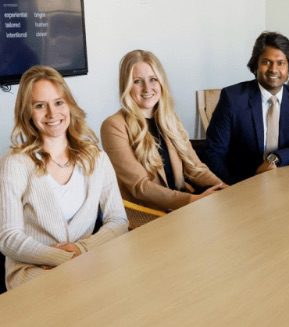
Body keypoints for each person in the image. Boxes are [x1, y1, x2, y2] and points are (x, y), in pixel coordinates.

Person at [0, 66, 128, 290]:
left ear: (69, 104)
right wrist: (61, 259)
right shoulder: (15, 163)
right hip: (32, 273)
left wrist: (81, 250)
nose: (52, 113)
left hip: (85, 265)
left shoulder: (97, 159)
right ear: (27, 112)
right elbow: (9, 238)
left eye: (58, 102)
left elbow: (118, 220)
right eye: (40, 106)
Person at [102, 50, 227, 211]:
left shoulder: (170, 118)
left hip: (183, 208)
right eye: (138, 81)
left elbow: (195, 168)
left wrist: (223, 188)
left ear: (161, 82)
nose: (147, 88)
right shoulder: (113, 126)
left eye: (153, 79)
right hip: (150, 215)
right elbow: (140, 187)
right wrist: (194, 200)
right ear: (126, 86)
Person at [205, 32, 289, 185]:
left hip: (286, 182)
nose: (274, 69)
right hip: (240, 184)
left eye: (281, 63)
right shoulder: (232, 98)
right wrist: (233, 188)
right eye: (266, 62)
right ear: (256, 65)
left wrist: (275, 158)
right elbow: (214, 153)